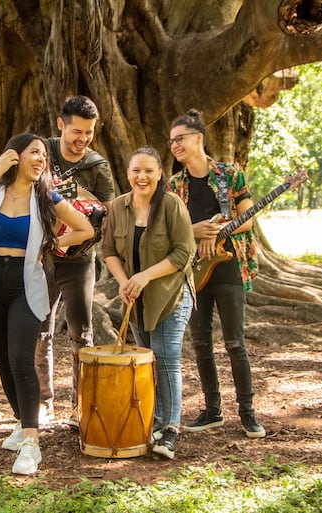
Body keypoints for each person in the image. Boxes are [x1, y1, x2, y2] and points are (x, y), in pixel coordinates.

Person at [0, 133, 94, 475]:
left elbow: (85, 229)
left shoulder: (46, 196)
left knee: (21, 358)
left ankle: (31, 443)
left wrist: (51, 243)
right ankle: (24, 422)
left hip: (25, 283)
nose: (41, 159)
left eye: (44, 155)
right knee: (4, 361)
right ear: (14, 155)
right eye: (34, 152)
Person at [167, 108, 266, 439]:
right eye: (171, 142)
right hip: (192, 271)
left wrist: (218, 231)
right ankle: (212, 410)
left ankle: (247, 413)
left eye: (179, 139)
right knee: (199, 341)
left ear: (199, 138)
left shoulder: (229, 175)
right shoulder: (174, 185)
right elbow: (170, 230)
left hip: (227, 269)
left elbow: (246, 218)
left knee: (235, 342)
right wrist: (197, 232)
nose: (175, 145)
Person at [102, 147, 196, 459]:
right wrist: (125, 281)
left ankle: (170, 429)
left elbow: (184, 254)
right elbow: (109, 252)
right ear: (128, 174)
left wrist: (144, 276)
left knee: (167, 358)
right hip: (136, 300)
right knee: (147, 361)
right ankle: (153, 421)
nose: (142, 177)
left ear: (159, 174)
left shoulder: (172, 205)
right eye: (136, 171)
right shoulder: (118, 206)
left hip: (170, 295)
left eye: (149, 171)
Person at [36, 95, 115, 427]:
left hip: (79, 261)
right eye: (76, 132)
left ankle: (80, 403)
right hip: (39, 259)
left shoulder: (97, 167)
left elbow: (108, 216)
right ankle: (43, 403)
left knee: (82, 334)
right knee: (40, 332)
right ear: (60, 124)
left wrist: (81, 206)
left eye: (89, 132)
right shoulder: (40, 152)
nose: (82, 139)